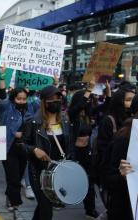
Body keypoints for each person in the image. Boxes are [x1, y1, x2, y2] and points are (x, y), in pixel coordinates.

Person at [23, 85, 74, 220]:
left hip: (57, 173)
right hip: (38, 173)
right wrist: (34, 149)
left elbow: (69, 146)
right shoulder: (33, 122)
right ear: (44, 102)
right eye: (52, 99)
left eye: (58, 98)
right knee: (46, 209)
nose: (56, 101)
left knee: (43, 207)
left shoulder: (65, 122)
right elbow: (21, 145)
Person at [67, 83, 99, 218]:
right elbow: (79, 106)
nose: (88, 102)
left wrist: (108, 92)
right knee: (74, 181)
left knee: (90, 182)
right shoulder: (72, 114)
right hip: (75, 153)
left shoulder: (88, 116)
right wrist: (89, 90)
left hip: (87, 153)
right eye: (86, 99)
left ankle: (90, 209)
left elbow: (108, 107)